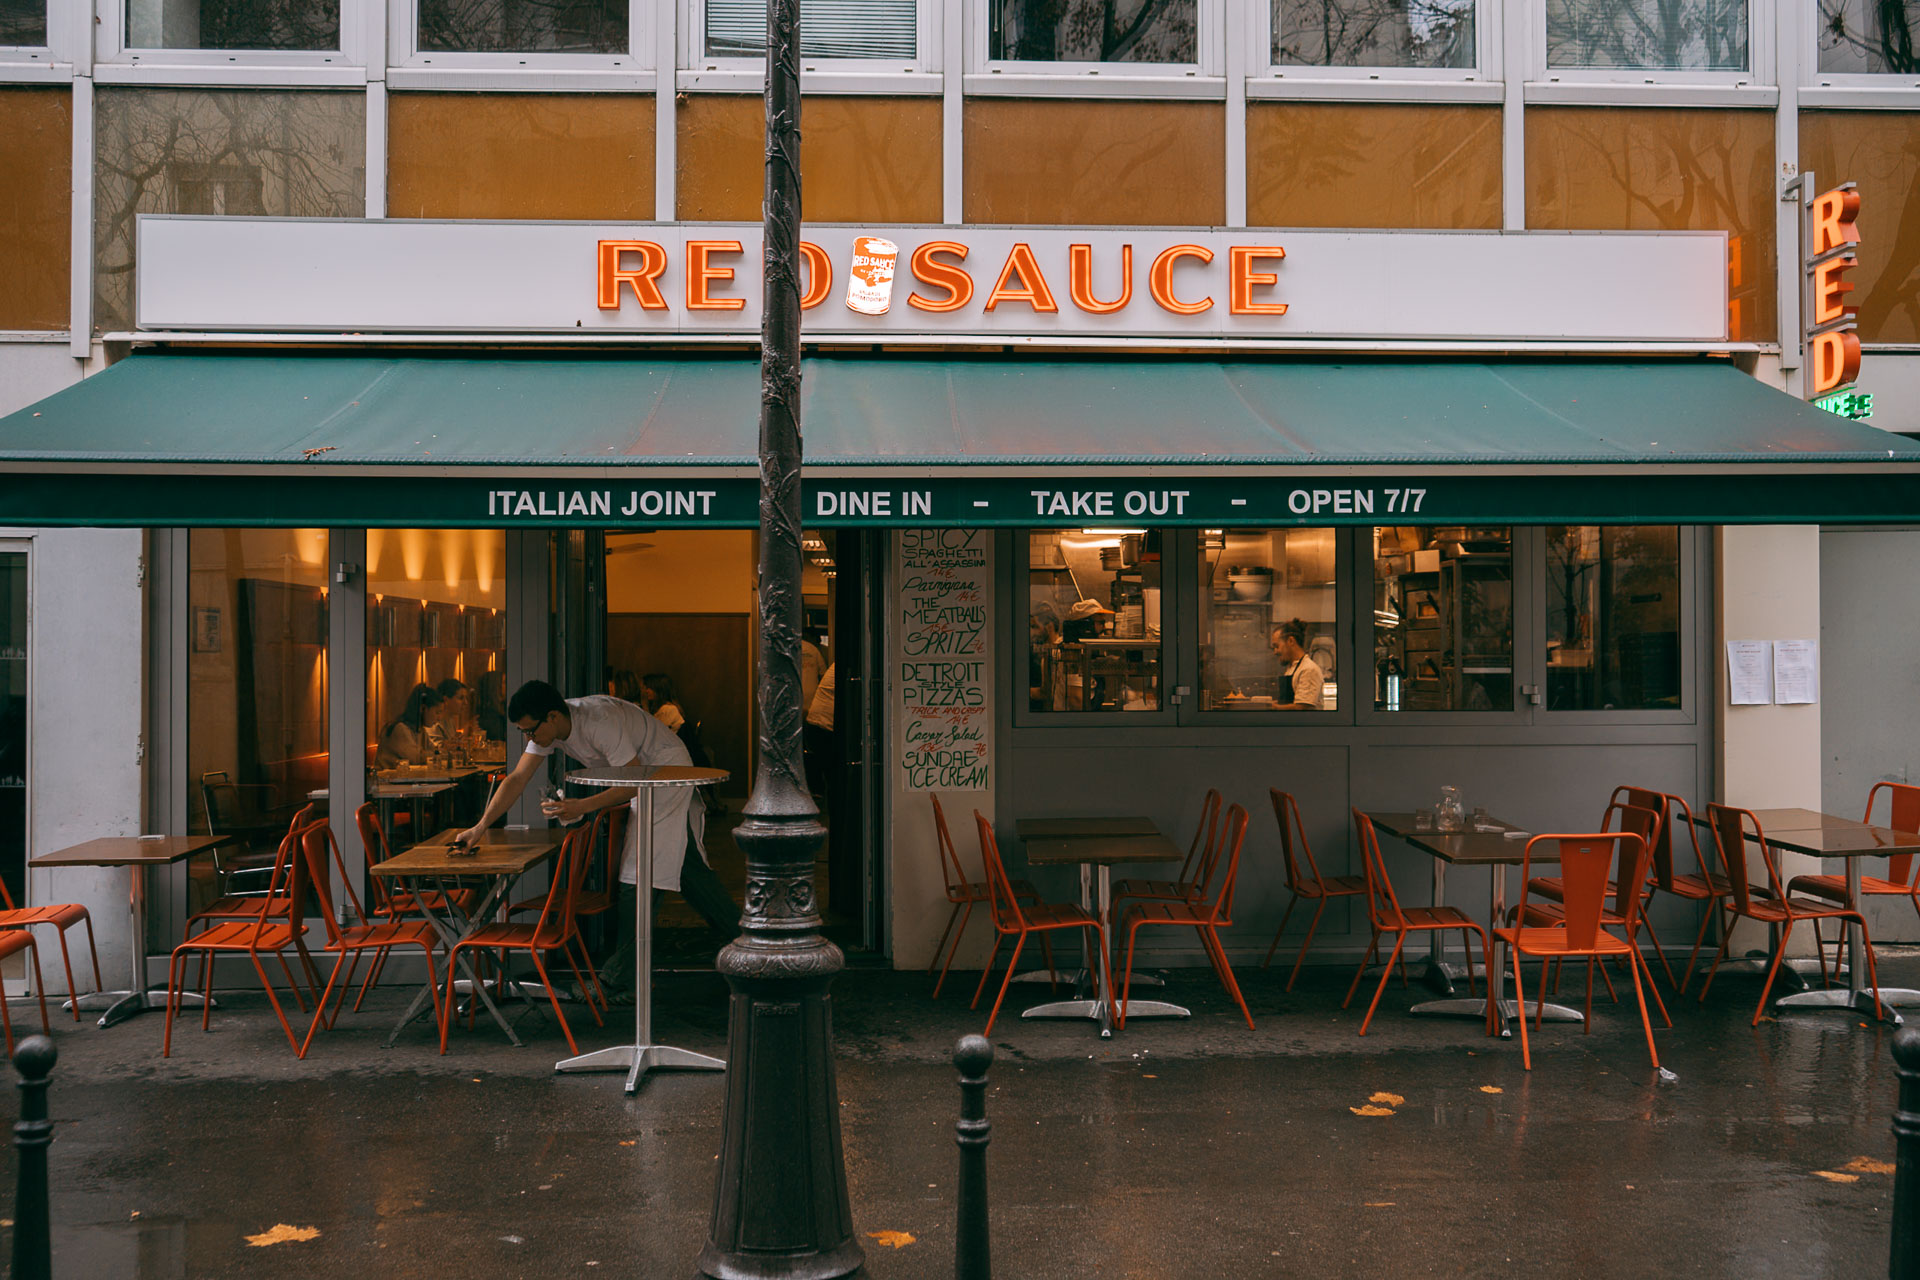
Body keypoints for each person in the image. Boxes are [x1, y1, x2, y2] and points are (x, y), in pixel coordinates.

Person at [452, 680, 740, 1002]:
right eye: (524, 733)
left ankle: (619, 981)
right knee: (687, 872)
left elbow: (633, 783)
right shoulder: (549, 726)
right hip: (643, 777)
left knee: (639, 875)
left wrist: (581, 806)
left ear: (552, 717)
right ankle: (748, 944)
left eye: (531, 732)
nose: (529, 739)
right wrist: (479, 827)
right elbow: (517, 778)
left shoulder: (600, 720)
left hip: (665, 772)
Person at [376, 683, 444, 769]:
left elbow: (433, 751)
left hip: (404, 779)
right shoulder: (400, 729)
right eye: (437, 712)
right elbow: (417, 758)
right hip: (387, 780)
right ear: (422, 709)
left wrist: (439, 751)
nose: (439, 718)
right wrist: (441, 752)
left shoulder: (420, 730)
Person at [1269, 619, 1327, 711]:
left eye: (1277, 646)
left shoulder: (1308, 669)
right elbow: (1293, 702)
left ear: (1291, 641)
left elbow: (1303, 707)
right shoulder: (1292, 668)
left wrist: (1276, 707)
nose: (1275, 652)